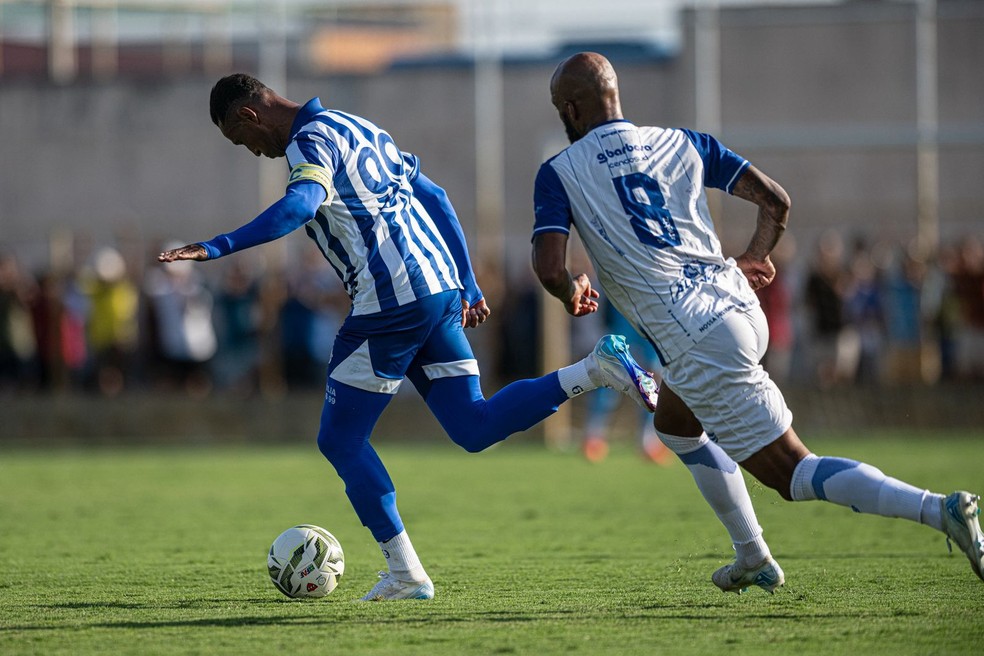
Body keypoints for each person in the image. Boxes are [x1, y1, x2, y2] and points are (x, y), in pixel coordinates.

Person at [158, 73, 659, 601]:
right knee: (472, 425)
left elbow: (302, 205)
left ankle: (406, 573)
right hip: (436, 290)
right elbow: (436, 196)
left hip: (390, 303)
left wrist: (216, 247)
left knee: (340, 439)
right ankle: (595, 369)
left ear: (248, 116)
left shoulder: (311, 142)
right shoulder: (360, 127)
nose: (254, 153)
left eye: (244, 142)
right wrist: (465, 280)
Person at [531, 52, 984, 593]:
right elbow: (776, 201)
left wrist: (569, 292)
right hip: (736, 304)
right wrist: (754, 254)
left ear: (573, 108)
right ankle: (751, 556)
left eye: (562, 108)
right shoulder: (684, 142)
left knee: (793, 472)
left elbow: (550, 266)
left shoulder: (560, 171)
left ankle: (940, 510)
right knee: (674, 423)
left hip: (695, 335)